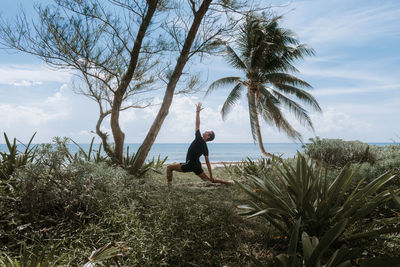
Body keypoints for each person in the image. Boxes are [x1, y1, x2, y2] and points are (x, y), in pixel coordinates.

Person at [166, 103, 231, 186]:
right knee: (208, 181)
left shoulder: (199, 139)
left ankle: (169, 186)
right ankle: (228, 183)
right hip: (197, 165)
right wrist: (211, 176)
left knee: (169, 167)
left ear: (208, 137)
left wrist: (197, 112)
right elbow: (208, 163)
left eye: (208, 132)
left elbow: (197, 124)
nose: (206, 131)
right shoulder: (205, 147)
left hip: (190, 164)